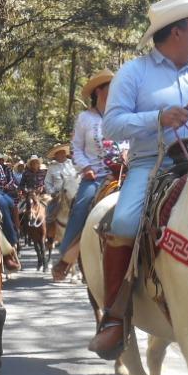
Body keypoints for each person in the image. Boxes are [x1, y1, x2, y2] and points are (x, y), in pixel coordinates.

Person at [88, 0, 188, 360]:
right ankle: (114, 316)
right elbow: (113, 125)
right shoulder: (134, 72)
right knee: (124, 222)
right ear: (176, 32)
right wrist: (157, 118)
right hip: (154, 164)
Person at [52, 70, 115, 282]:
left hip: (126, 172)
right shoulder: (85, 118)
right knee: (81, 205)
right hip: (95, 175)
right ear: (99, 90)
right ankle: (66, 258)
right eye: (110, 87)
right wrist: (86, 167)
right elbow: (76, 148)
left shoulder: (123, 114)